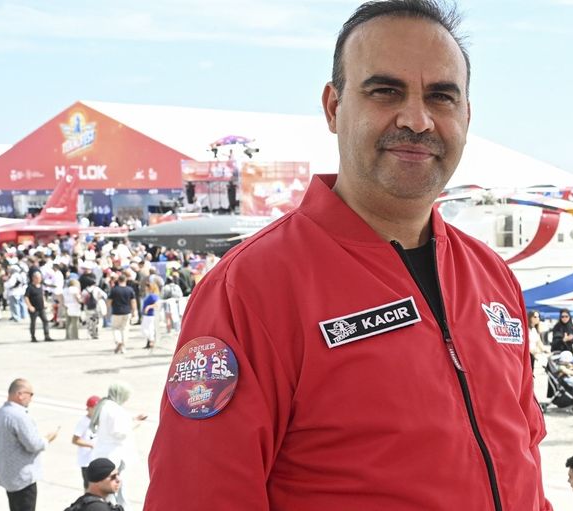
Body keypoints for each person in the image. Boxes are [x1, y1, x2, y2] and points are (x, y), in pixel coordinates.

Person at [145, 1, 551, 509]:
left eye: (441, 97)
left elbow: (524, 457)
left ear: (466, 115)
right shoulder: (251, 288)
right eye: (386, 91)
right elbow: (197, 495)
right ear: (334, 108)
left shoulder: (491, 276)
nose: (417, 120)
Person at [0, 378, 59, 511]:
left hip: (8, 476)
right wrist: (48, 439)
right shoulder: (19, 416)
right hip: (23, 479)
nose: (31, 399)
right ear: (20, 394)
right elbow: (33, 445)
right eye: (30, 394)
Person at [90, 382, 148, 509]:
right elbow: (119, 432)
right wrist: (135, 425)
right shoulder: (114, 409)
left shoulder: (105, 405)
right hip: (114, 455)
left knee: (114, 486)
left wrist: (133, 419)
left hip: (105, 452)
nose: (126, 399)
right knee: (115, 486)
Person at [73, 395, 101, 489]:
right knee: (89, 486)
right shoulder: (83, 422)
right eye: (95, 408)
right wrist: (91, 445)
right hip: (86, 461)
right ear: (88, 408)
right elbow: (75, 440)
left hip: (96, 459)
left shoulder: (98, 421)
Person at [107, 274, 137, 354]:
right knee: (125, 329)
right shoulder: (130, 290)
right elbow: (133, 301)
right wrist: (134, 311)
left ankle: (118, 341)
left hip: (116, 311)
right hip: (127, 311)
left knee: (115, 328)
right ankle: (123, 347)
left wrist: (108, 310)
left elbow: (109, 301)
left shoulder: (114, 290)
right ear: (125, 280)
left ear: (118, 280)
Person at [24, 272, 53, 342]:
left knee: (45, 321)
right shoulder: (30, 287)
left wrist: (45, 302)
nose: (39, 279)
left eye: (40, 278)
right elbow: (26, 297)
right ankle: (33, 337)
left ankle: (47, 336)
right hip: (34, 308)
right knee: (33, 323)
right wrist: (30, 306)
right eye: (37, 278)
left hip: (41, 308)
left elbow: (42, 295)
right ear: (33, 278)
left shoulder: (40, 286)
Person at [141, 282, 160, 349]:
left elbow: (157, 304)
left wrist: (149, 307)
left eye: (147, 287)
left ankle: (151, 341)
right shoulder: (149, 295)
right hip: (146, 315)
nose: (146, 288)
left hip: (150, 315)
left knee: (148, 329)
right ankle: (149, 341)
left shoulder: (153, 296)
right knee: (146, 329)